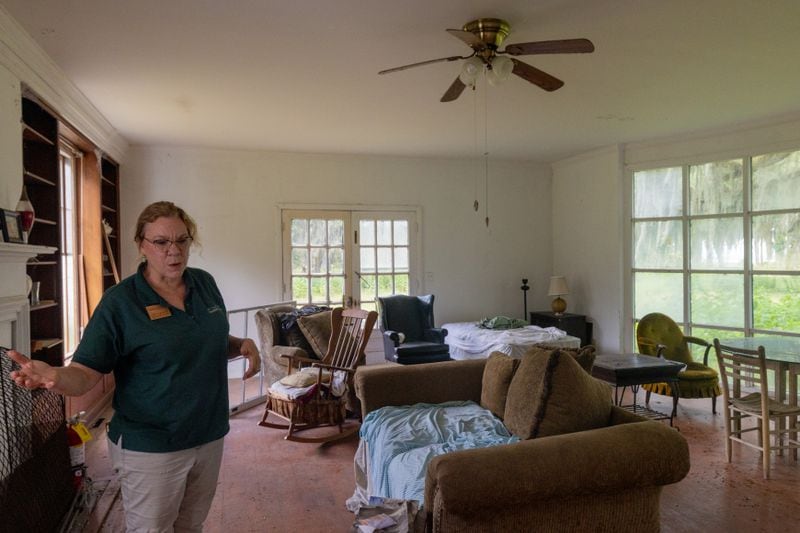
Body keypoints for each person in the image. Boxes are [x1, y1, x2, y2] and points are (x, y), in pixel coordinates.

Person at [7, 200, 260, 532]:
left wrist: (240, 345)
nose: (174, 251)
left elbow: (208, 341)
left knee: (191, 525)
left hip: (209, 435)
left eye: (182, 240)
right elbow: (85, 373)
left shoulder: (204, 284)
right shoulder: (120, 302)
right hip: (151, 446)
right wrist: (55, 376)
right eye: (161, 242)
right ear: (142, 244)